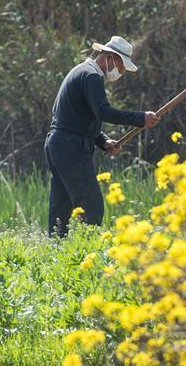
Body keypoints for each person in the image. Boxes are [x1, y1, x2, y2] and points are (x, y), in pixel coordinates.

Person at [45, 35, 160, 237]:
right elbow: (103, 112)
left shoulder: (80, 71)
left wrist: (103, 141)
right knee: (92, 206)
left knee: (61, 208)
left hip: (58, 144)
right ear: (110, 57)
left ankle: (55, 252)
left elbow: (80, 117)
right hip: (71, 147)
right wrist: (141, 118)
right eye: (122, 66)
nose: (121, 71)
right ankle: (90, 253)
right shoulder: (92, 76)